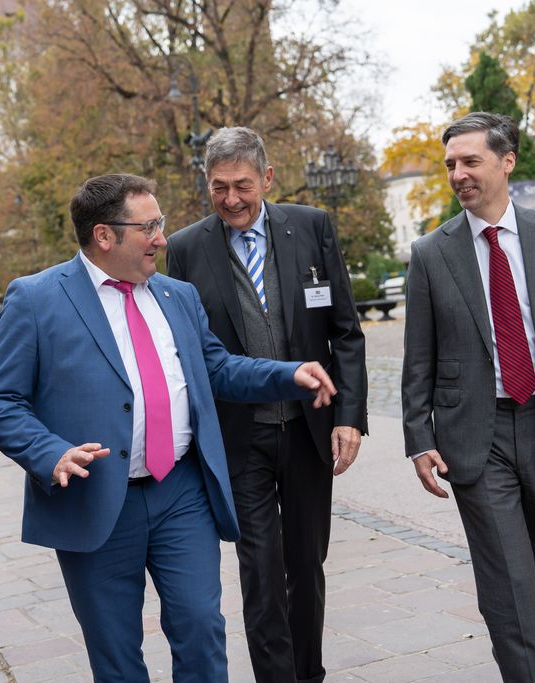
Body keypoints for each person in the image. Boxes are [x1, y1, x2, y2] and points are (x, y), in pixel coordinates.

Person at [0, 173, 338, 683]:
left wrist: (287, 374)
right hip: (96, 497)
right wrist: (49, 452)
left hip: (181, 494)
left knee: (201, 628)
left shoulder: (177, 296)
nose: (162, 239)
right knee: (117, 651)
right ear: (105, 235)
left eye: (161, 224)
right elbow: (1, 401)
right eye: (148, 227)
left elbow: (215, 369)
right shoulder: (36, 299)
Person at [400, 112, 535, 682]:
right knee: (509, 582)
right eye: (451, 164)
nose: (458, 174)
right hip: (477, 434)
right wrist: (419, 441)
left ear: (506, 162)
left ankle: (519, 652)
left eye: (470, 161)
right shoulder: (431, 253)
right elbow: (417, 358)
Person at [166, 126, 367, 683]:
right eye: (218, 187)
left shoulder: (311, 227)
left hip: (308, 431)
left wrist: (349, 417)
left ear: (268, 178)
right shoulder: (184, 249)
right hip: (240, 437)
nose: (231, 199)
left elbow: (345, 332)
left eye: (242, 186)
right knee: (260, 572)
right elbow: (192, 354)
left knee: (307, 564)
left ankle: (309, 673)